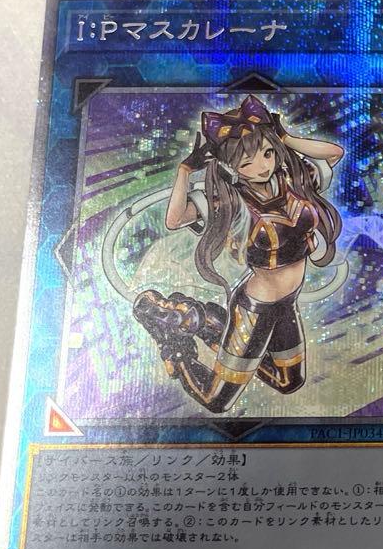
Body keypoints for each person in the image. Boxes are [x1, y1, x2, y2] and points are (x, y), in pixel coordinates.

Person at [133, 95, 343, 412]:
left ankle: (203, 321)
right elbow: (174, 220)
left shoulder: (295, 180)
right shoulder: (231, 203)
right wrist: (185, 171)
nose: (263, 166)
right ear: (232, 167)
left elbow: (335, 153)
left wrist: (284, 137)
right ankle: (173, 340)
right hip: (255, 308)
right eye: (248, 163)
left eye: (268, 153)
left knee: (289, 382)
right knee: (216, 400)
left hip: (286, 302)